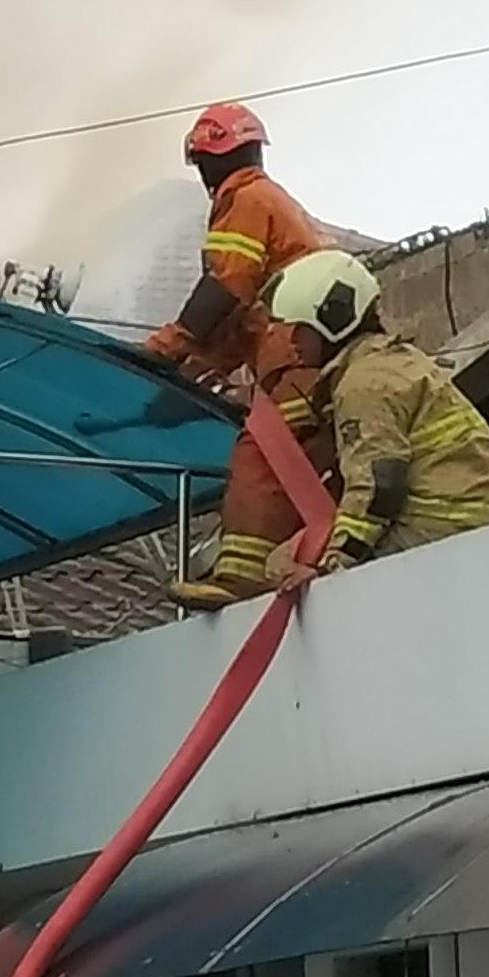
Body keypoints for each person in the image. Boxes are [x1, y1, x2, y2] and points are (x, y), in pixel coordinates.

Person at [135, 101, 336, 610]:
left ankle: (241, 580)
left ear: (210, 158)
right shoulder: (269, 201)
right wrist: (196, 371)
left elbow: (226, 285)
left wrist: (172, 344)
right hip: (302, 354)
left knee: (260, 458)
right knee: (297, 468)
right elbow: (238, 320)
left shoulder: (245, 200)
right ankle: (294, 561)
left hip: (296, 359)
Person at [262, 249, 489, 586]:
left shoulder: (364, 382)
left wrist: (335, 566)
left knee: (281, 563)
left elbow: (381, 485)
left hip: (441, 526)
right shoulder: (392, 361)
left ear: (331, 320)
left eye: (300, 329)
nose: (293, 341)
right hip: (471, 518)